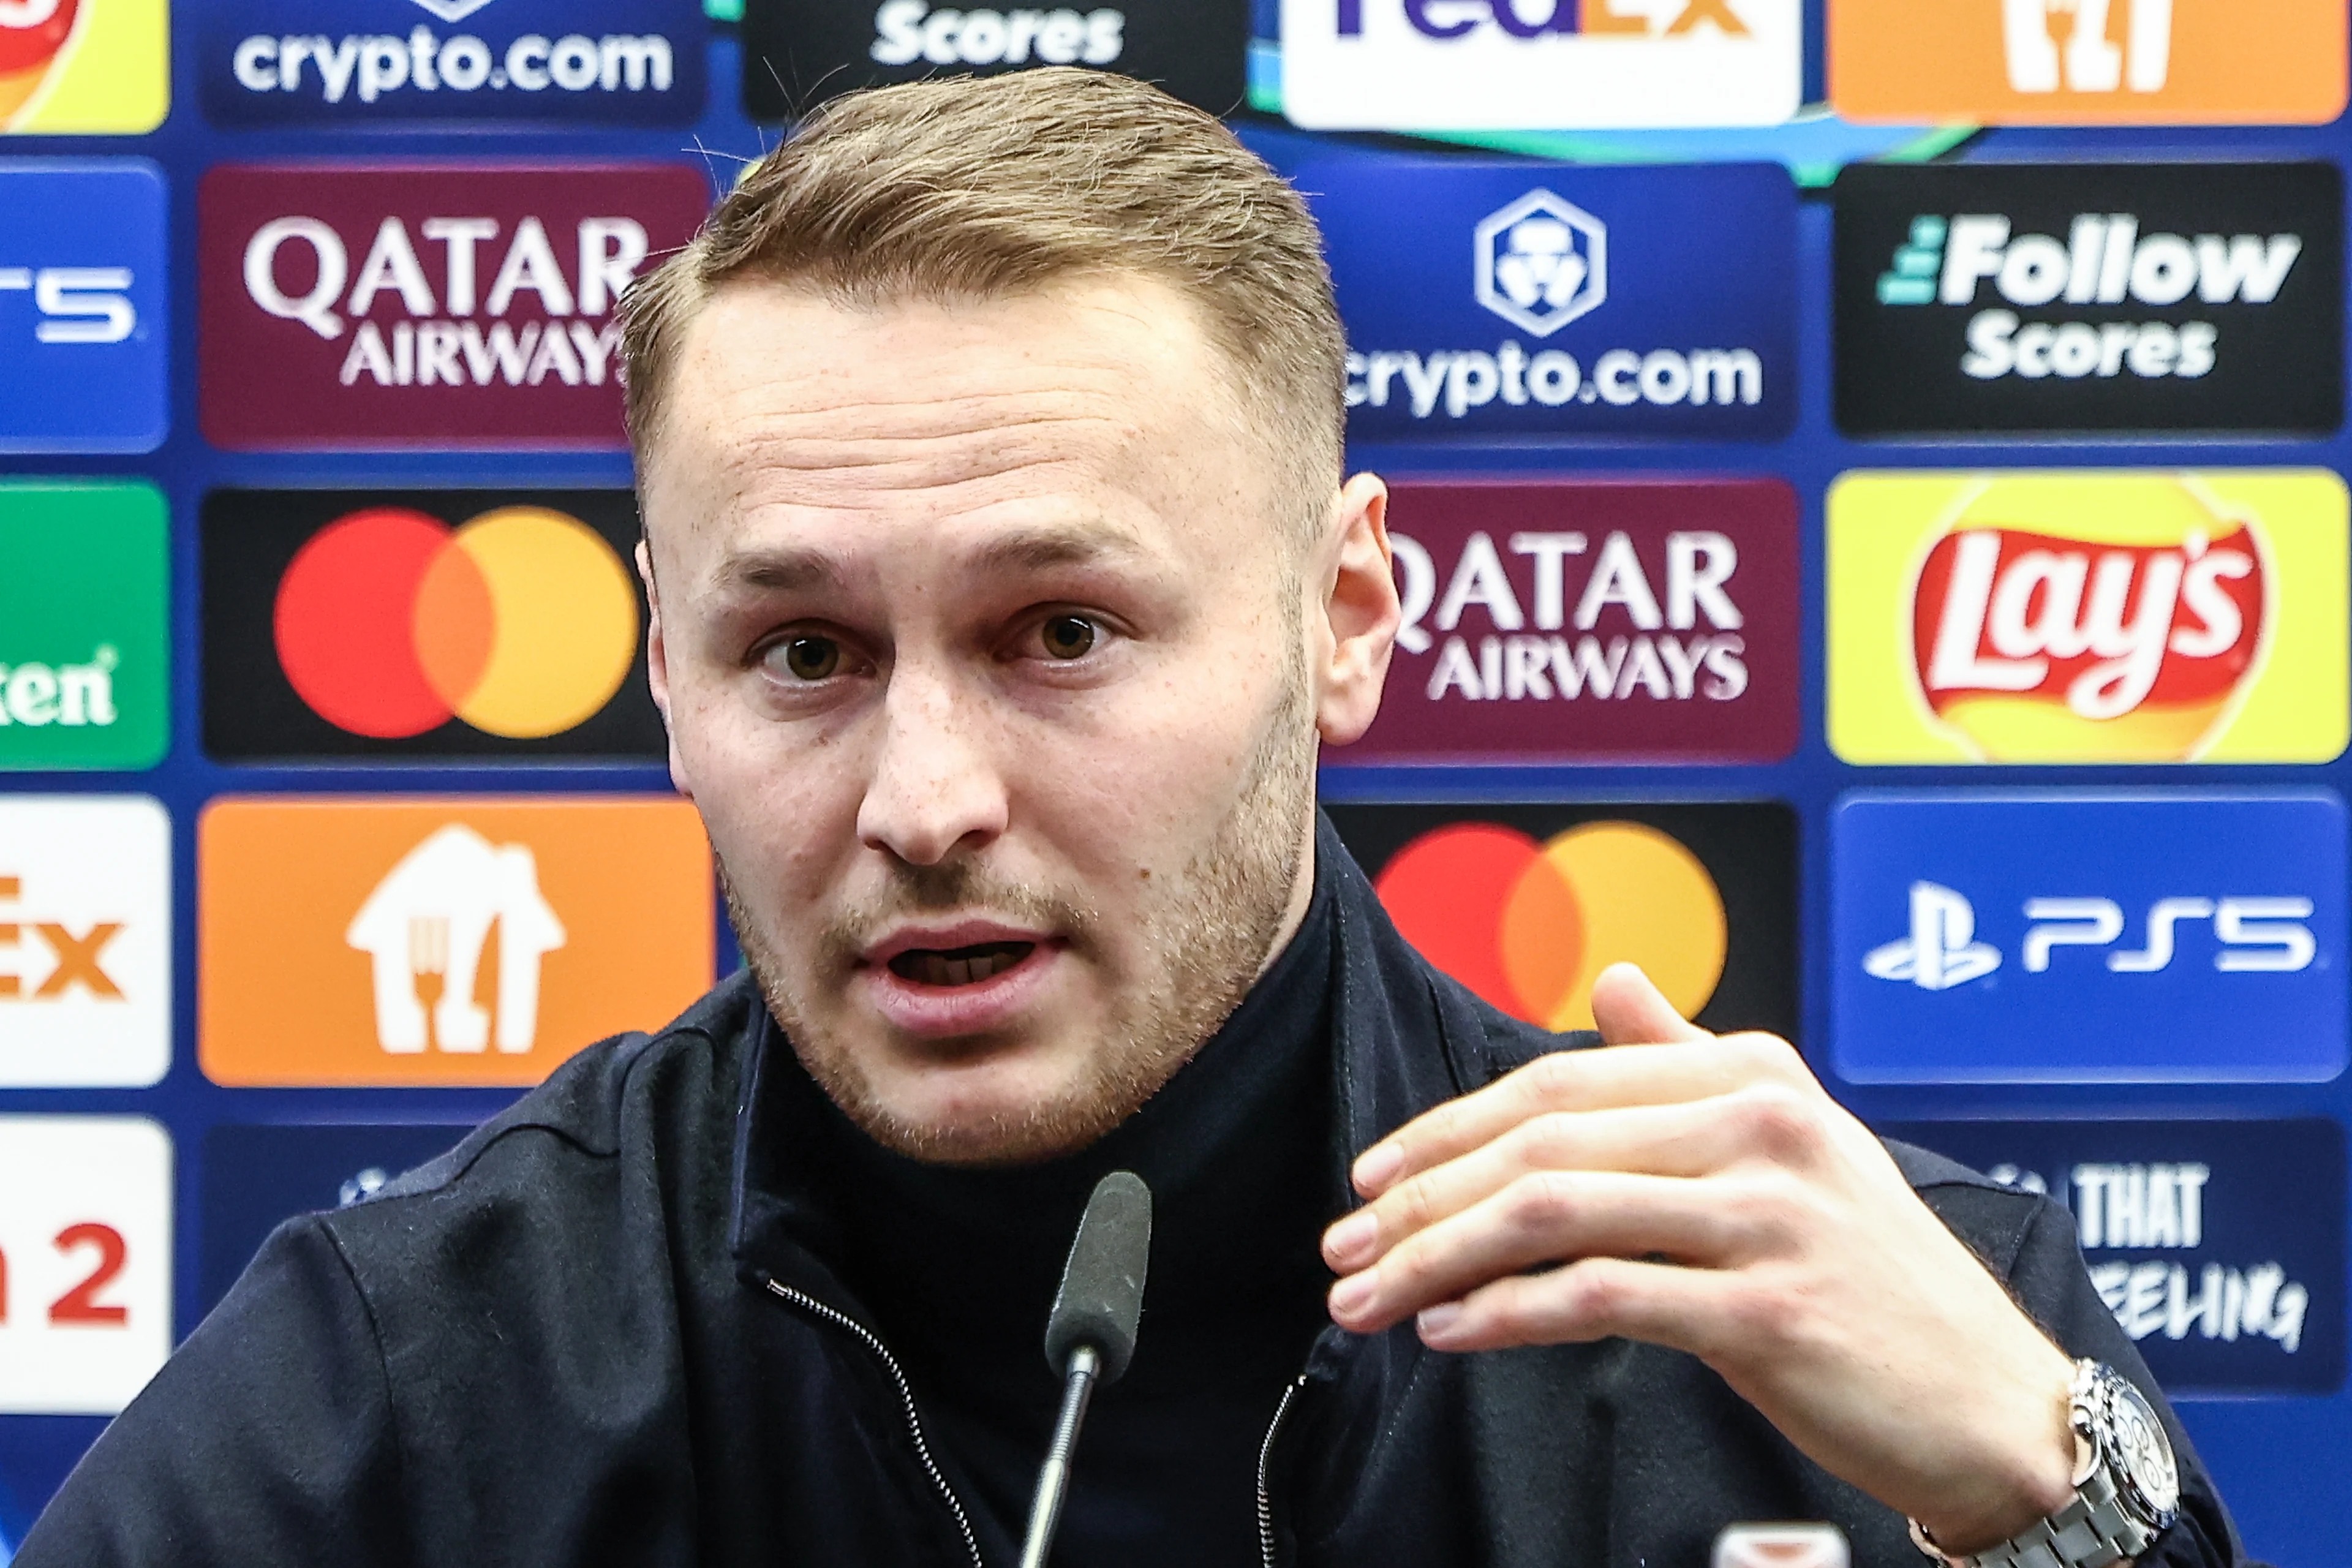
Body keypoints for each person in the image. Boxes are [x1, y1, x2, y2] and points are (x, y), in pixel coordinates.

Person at [21, 69, 2242, 1568]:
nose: (924, 802)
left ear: (1343, 617)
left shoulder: (1831, 1331)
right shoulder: (414, 1374)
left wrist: (2061, 1504)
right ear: (667, 683)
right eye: (803, 654)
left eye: (1062, 631)